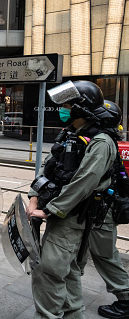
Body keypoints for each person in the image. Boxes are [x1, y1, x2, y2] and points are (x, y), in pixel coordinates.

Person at [27, 80, 116, 318]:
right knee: (68, 270)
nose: (63, 109)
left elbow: (83, 184)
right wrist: (34, 197)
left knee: (50, 270)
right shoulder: (70, 134)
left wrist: (50, 210)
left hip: (73, 216)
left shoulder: (101, 142)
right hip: (58, 212)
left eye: (67, 104)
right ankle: (74, 313)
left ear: (81, 108)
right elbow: (47, 166)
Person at [80, 100, 129, 319]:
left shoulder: (102, 142)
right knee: (80, 251)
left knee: (105, 255)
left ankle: (126, 298)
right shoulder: (96, 139)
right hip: (94, 210)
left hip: (102, 212)